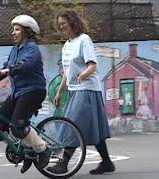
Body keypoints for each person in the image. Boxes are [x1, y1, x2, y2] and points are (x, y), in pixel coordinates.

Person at [46, 9, 115, 175]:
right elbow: (67, 72)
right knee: (92, 127)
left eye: (64, 23)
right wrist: (60, 92)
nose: (62, 26)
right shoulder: (67, 45)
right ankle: (107, 162)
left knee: (73, 124)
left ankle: (63, 164)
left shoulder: (84, 40)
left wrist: (83, 74)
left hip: (87, 89)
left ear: (73, 22)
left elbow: (92, 65)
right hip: (75, 90)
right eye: (59, 24)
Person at [0, 14, 51, 174]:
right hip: (18, 93)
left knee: (17, 126)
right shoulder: (15, 49)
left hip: (33, 91)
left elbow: (23, 66)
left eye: (17, 30)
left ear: (26, 31)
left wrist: (4, 71)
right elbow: (7, 67)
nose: (13, 32)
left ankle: (43, 149)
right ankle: (27, 150)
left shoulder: (32, 49)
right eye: (13, 29)